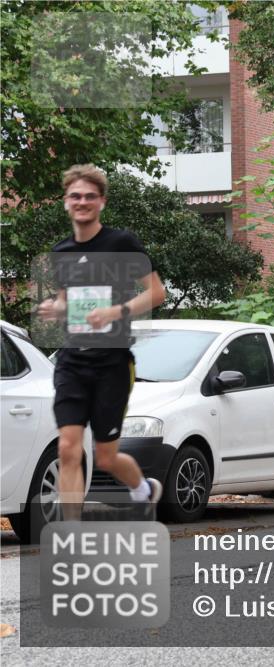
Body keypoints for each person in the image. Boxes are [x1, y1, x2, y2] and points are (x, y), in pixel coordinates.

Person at [36, 164, 167, 519]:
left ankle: (143, 489)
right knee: (68, 448)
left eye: (90, 196)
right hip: (72, 361)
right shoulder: (61, 252)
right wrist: (55, 309)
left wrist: (115, 311)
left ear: (102, 202)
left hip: (112, 362)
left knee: (106, 457)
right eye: (75, 196)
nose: (82, 202)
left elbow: (157, 293)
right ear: (66, 202)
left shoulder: (121, 243)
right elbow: (68, 303)